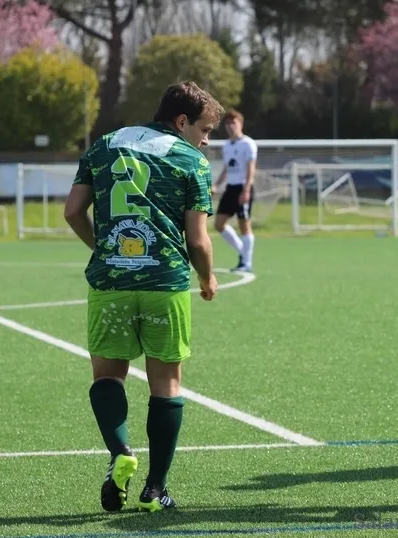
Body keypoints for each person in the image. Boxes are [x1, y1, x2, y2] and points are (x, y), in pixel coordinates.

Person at [63, 81, 223, 513]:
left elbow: (72, 211)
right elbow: (199, 239)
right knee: (166, 384)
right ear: (182, 120)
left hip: (111, 282)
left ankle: (120, 454)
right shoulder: (191, 160)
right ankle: (156, 489)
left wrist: (104, 249)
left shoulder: (105, 145)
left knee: (107, 376)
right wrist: (207, 279)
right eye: (205, 129)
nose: (206, 140)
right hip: (164, 284)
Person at [213, 110, 258, 272]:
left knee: (244, 225)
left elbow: (251, 169)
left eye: (234, 123)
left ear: (241, 124)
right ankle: (242, 251)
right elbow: (226, 168)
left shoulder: (248, 144)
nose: (231, 126)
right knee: (219, 224)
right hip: (230, 188)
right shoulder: (226, 146)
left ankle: (246, 263)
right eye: (228, 123)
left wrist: (246, 190)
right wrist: (217, 185)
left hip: (242, 187)